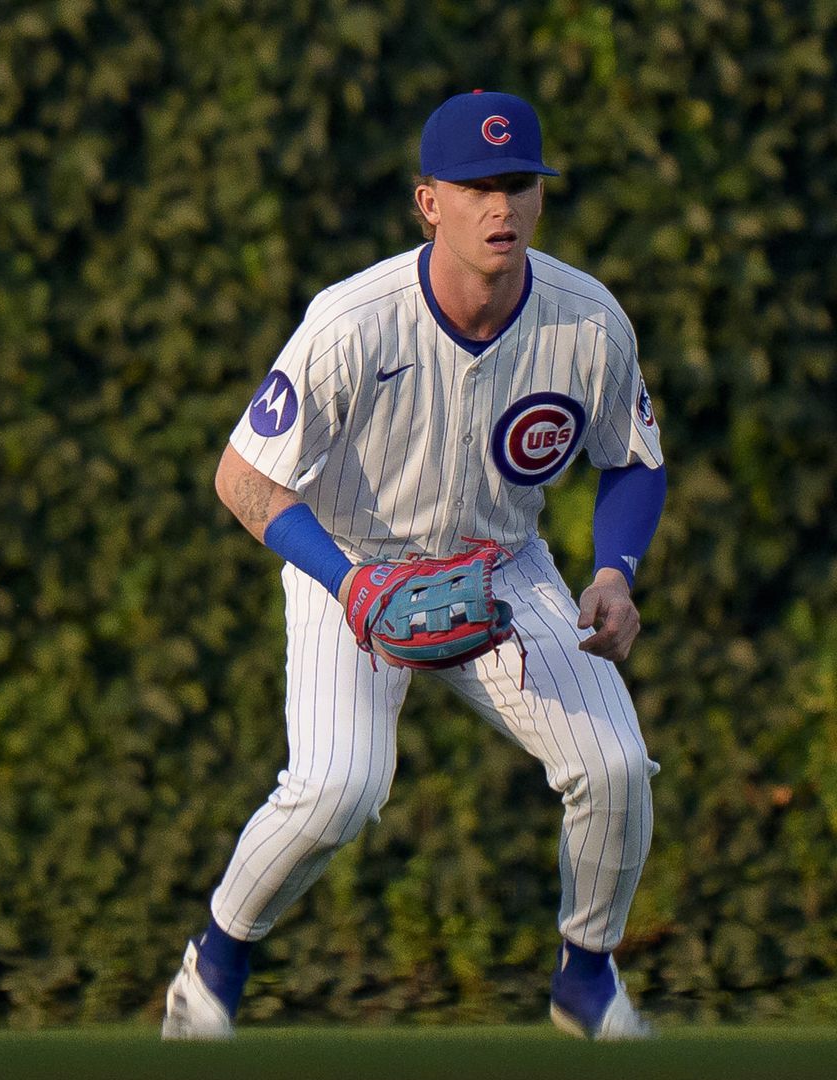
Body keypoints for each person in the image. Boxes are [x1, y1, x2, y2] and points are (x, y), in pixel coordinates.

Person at [162, 90, 668, 1041]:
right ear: (428, 201)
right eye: (475, 187)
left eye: (518, 185)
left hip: (503, 567)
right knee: (338, 788)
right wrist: (350, 583)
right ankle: (216, 960)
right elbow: (242, 478)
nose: (500, 208)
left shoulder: (586, 321)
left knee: (616, 765)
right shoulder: (354, 321)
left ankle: (587, 977)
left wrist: (615, 573)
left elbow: (633, 460)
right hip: (351, 562)